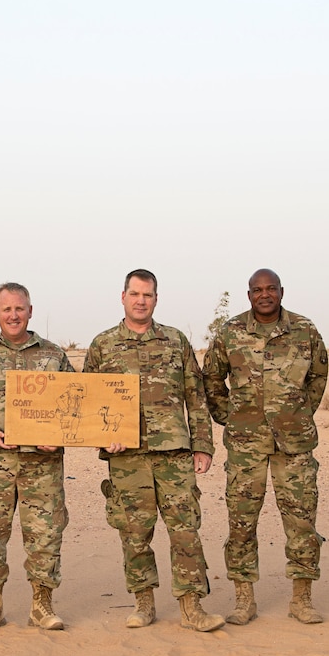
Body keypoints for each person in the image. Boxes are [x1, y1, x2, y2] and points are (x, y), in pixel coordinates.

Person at [85, 270, 223, 632]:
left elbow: (196, 397)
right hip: (126, 457)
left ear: (156, 299)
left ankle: (192, 607)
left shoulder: (176, 341)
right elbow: (87, 403)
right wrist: (103, 438)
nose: (141, 300)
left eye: (147, 295)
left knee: (185, 530)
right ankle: (143, 602)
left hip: (173, 454)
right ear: (123, 296)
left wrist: (203, 446)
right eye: (134, 294)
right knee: (134, 532)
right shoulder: (102, 345)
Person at [202, 269, 329, 624]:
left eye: (270, 288)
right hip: (246, 445)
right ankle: (244, 600)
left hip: (295, 444)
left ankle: (302, 599)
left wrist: (301, 411)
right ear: (249, 295)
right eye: (257, 290)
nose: (264, 295)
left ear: (281, 292)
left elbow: (319, 374)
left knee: (301, 523)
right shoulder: (231, 332)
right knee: (241, 524)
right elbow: (211, 376)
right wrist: (227, 414)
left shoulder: (305, 330)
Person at [0, 283, 75, 633]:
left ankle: (42, 605)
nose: (13, 315)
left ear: (30, 311)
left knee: (46, 535)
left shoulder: (54, 356)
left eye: (19, 308)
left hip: (43, 465)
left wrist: (59, 437)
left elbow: (74, 405)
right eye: (6, 309)